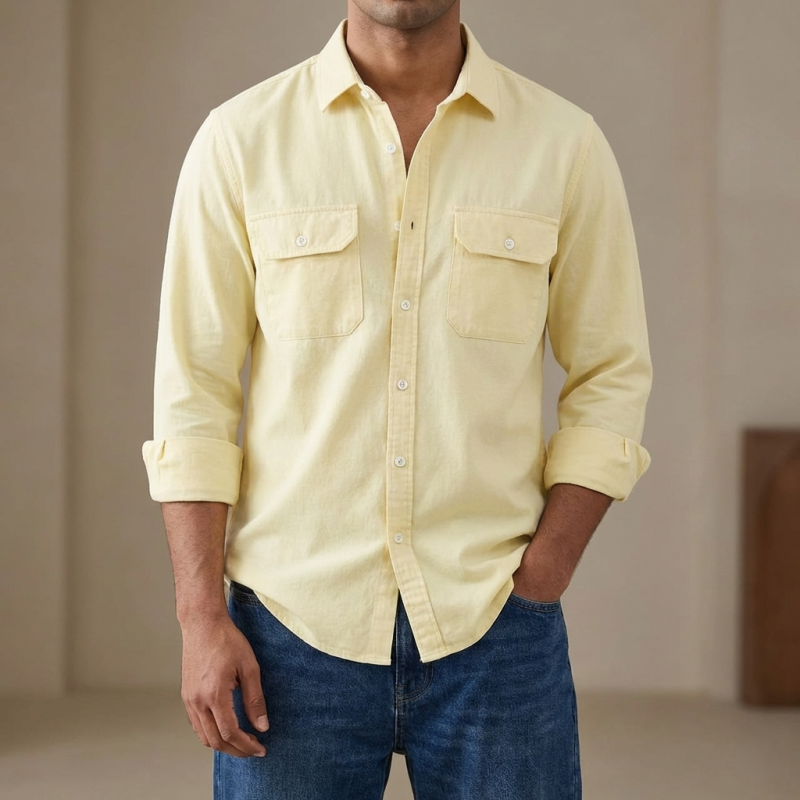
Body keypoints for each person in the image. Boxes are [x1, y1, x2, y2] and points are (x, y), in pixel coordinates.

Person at [141, 2, 652, 798]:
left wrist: (544, 573)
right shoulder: (240, 140)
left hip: (495, 626)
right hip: (289, 630)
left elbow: (612, 373)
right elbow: (192, 395)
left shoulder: (563, 144)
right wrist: (200, 617)